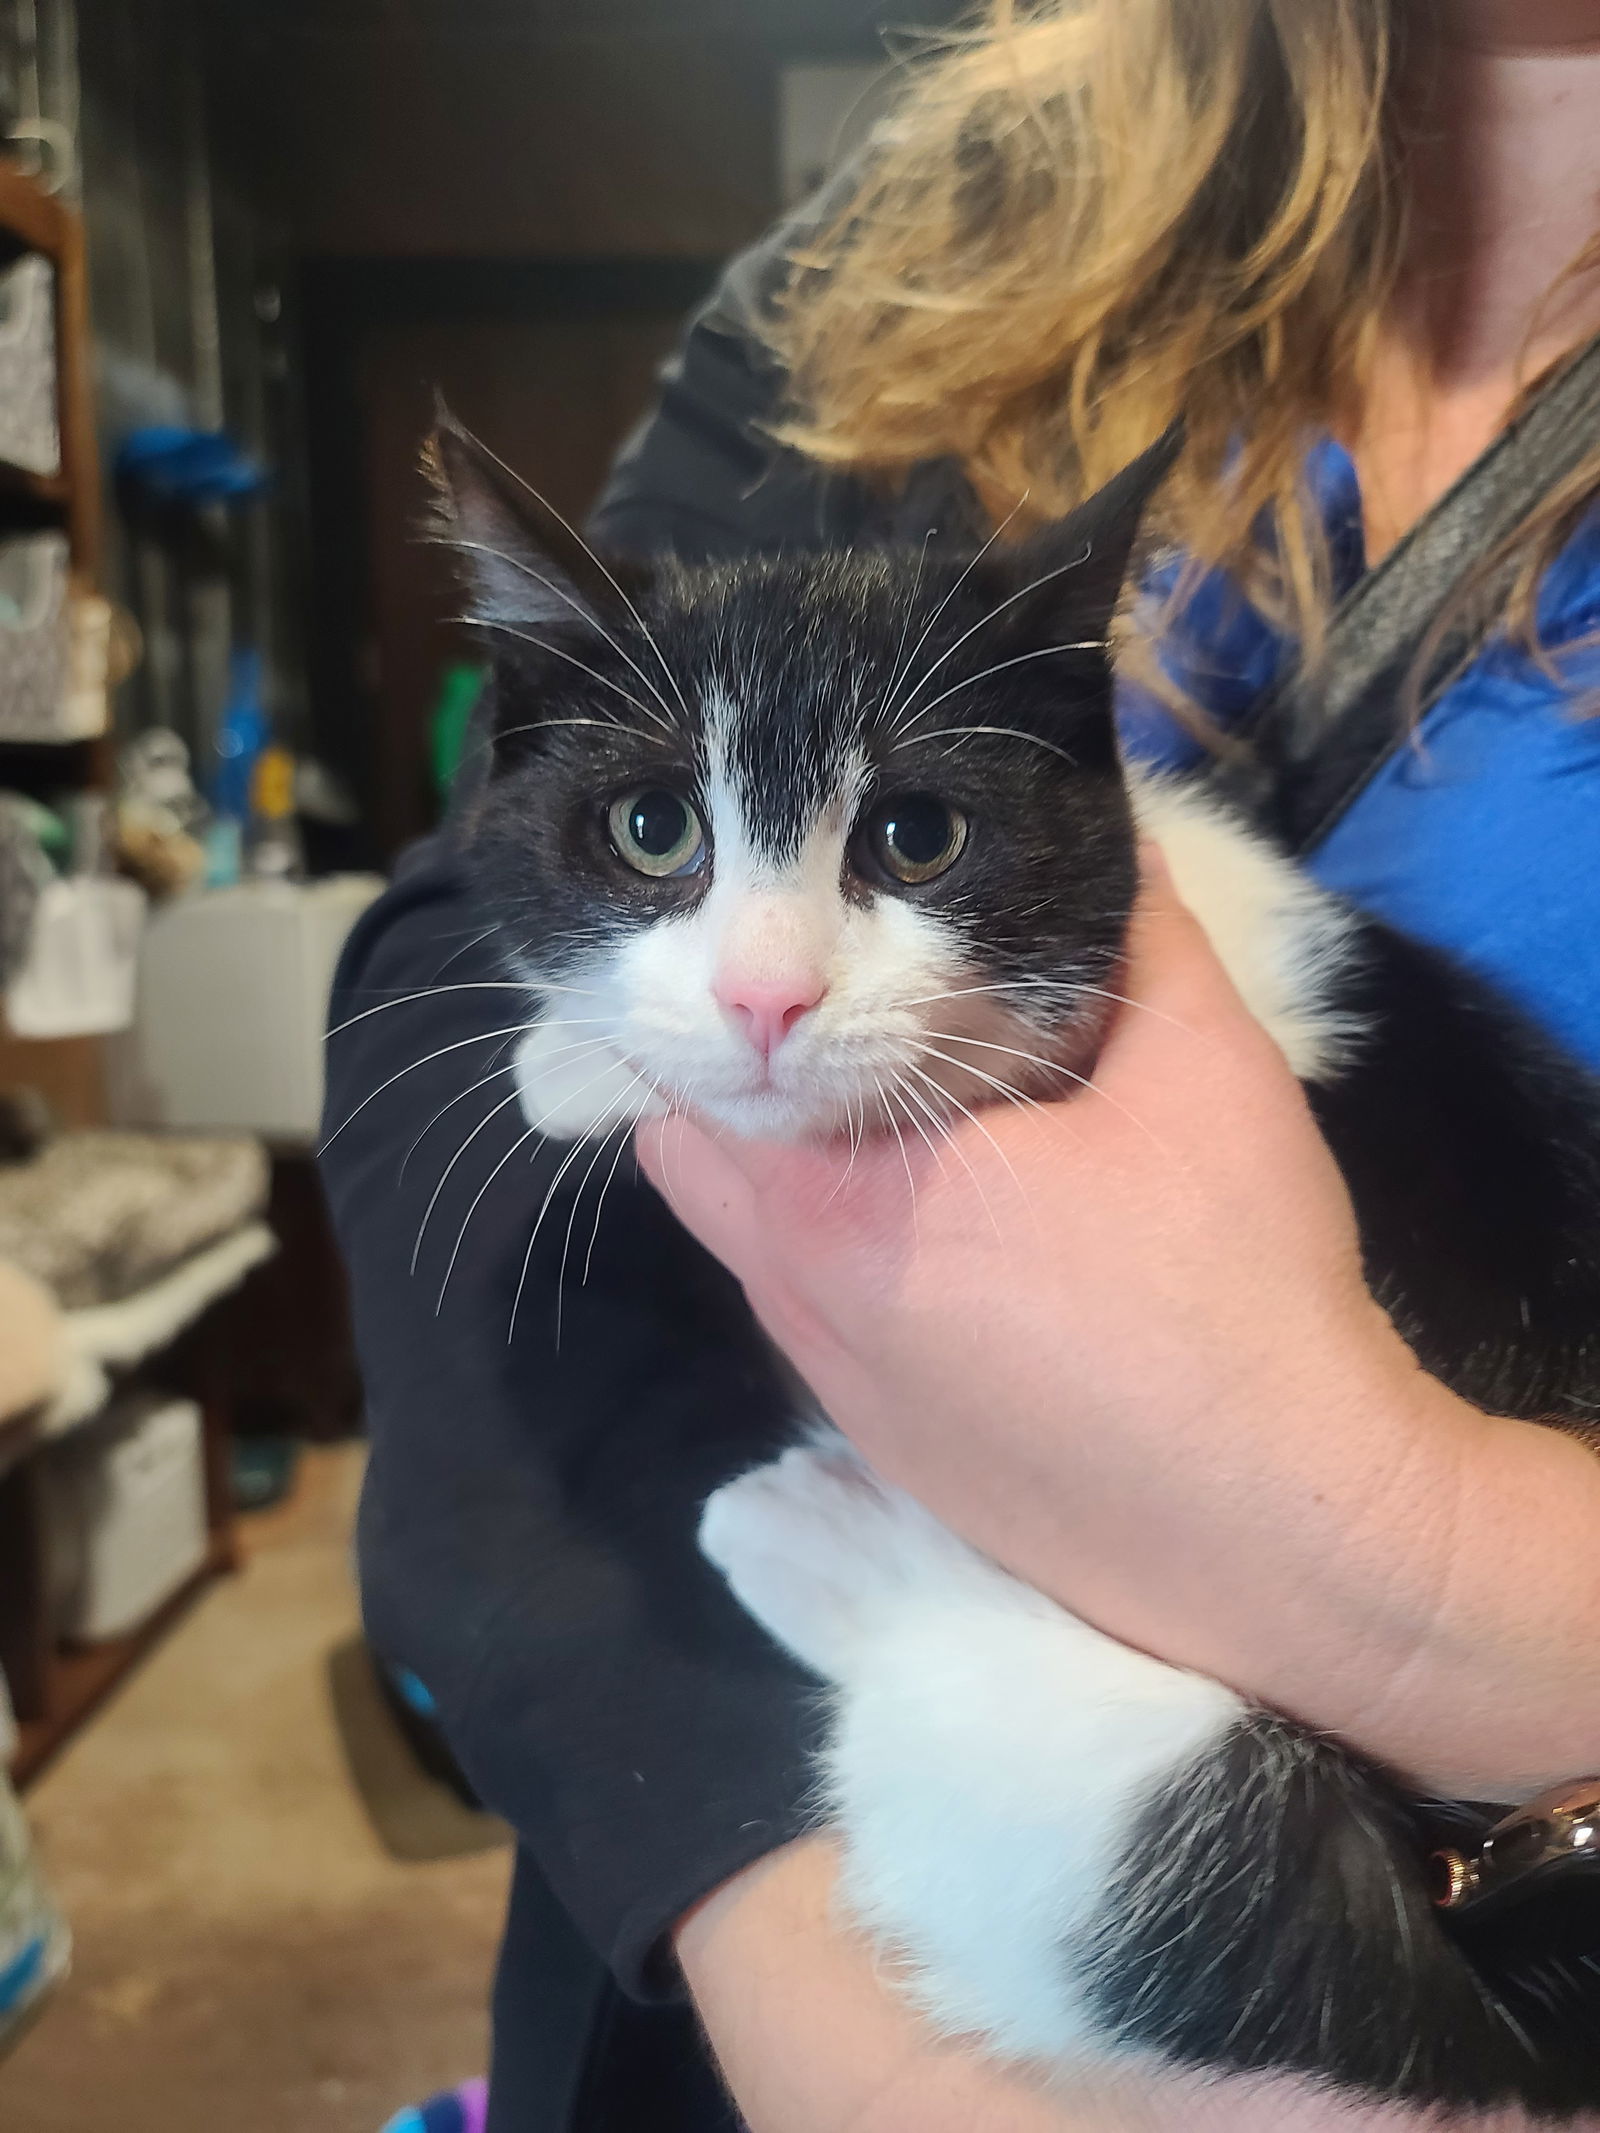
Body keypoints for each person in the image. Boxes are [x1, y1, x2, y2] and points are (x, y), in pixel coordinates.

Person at [319, 2, 1600, 2127]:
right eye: (661, 842)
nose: (756, 980)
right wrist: (802, 1950)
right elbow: (450, 989)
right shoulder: (954, 208)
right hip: (781, 1911)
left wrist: (1423, 1573)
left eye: (896, 838)